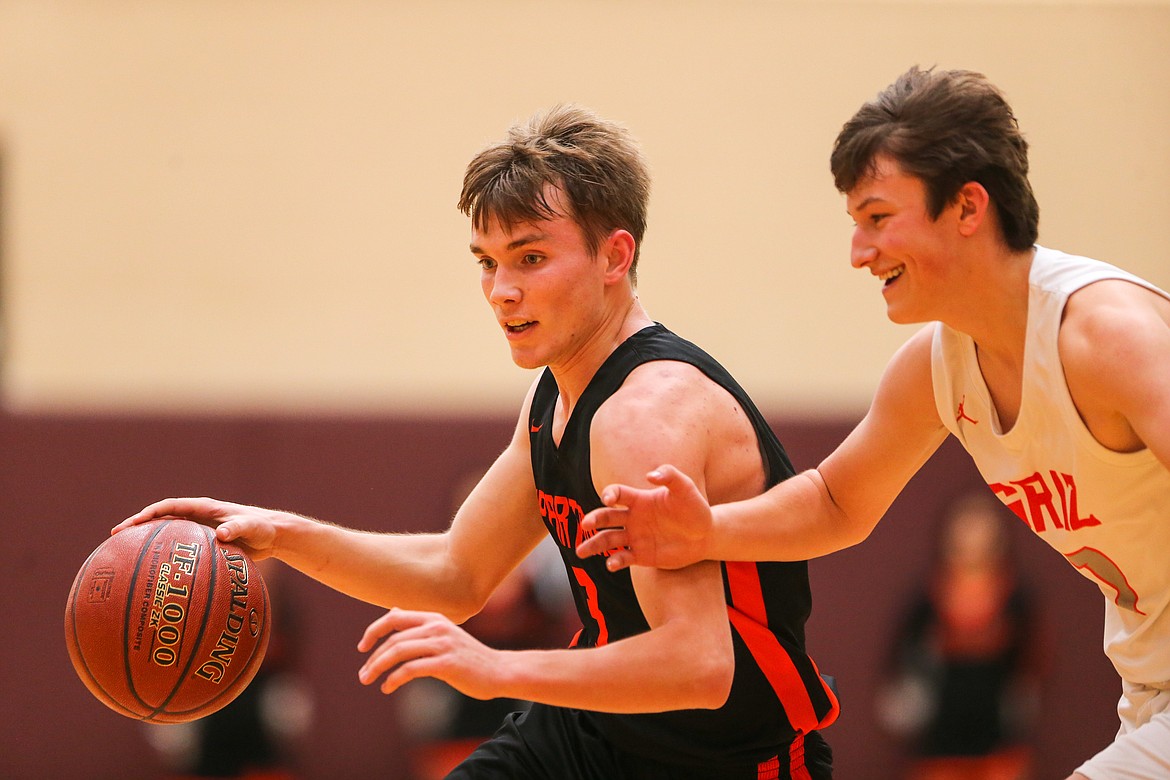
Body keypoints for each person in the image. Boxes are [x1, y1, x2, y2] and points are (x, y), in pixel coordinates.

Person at [115, 105, 838, 779]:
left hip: (723, 757)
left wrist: (496, 669)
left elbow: (699, 666)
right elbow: (457, 572)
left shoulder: (643, 416)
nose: (501, 290)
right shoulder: (557, 393)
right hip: (600, 732)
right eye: (487, 262)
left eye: (530, 258)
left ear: (615, 256)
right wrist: (280, 535)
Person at [576, 66, 1170, 779]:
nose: (860, 252)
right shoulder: (937, 367)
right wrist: (706, 531)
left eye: (879, 218)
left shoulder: (1107, 336)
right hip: (1148, 691)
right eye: (856, 224)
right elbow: (836, 501)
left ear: (968, 206)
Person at [875, 491, 1044, 780]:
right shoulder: (926, 601)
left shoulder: (1016, 600)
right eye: (966, 526)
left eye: (982, 526)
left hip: (999, 747)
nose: (973, 537)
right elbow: (901, 666)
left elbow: (1031, 667)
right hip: (937, 748)